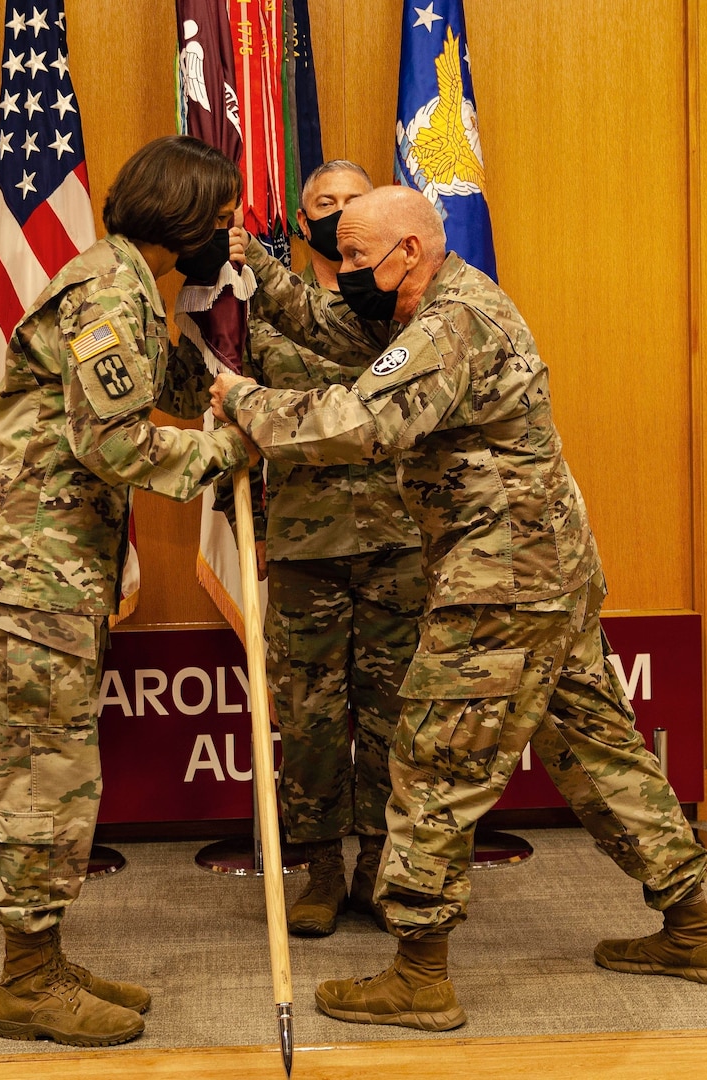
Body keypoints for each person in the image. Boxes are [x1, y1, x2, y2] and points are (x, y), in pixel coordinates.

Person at [210, 184, 707, 1032]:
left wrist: (245, 402)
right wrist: (258, 273)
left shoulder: (452, 324)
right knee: (598, 752)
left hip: (501, 582)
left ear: (407, 253)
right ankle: (693, 931)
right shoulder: (432, 305)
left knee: (431, 761)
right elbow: (335, 330)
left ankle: (420, 973)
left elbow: (359, 421)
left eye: (354, 257)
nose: (343, 273)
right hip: (546, 572)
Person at [0, 135, 259, 1047]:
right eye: (219, 220)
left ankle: (42, 961)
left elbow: (156, 380)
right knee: (46, 777)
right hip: (38, 569)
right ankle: (27, 984)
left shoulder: (131, 284)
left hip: (59, 565)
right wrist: (225, 450)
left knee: (58, 768)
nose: (228, 233)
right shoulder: (102, 292)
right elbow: (116, 445)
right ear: (180, 221)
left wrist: (226, 364)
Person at [215, 161, 426, 937]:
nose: (337, 213)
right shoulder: (264, 314)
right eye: (322, 204)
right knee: (306, 716)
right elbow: (227, 390)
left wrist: (273, 408)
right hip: (306, 541)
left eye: (351, 202)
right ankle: (321, 868)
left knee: (390, 713)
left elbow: (344, 398)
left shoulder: (400, 305)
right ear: (303, 223)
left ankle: (376, 862)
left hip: (397, 538)